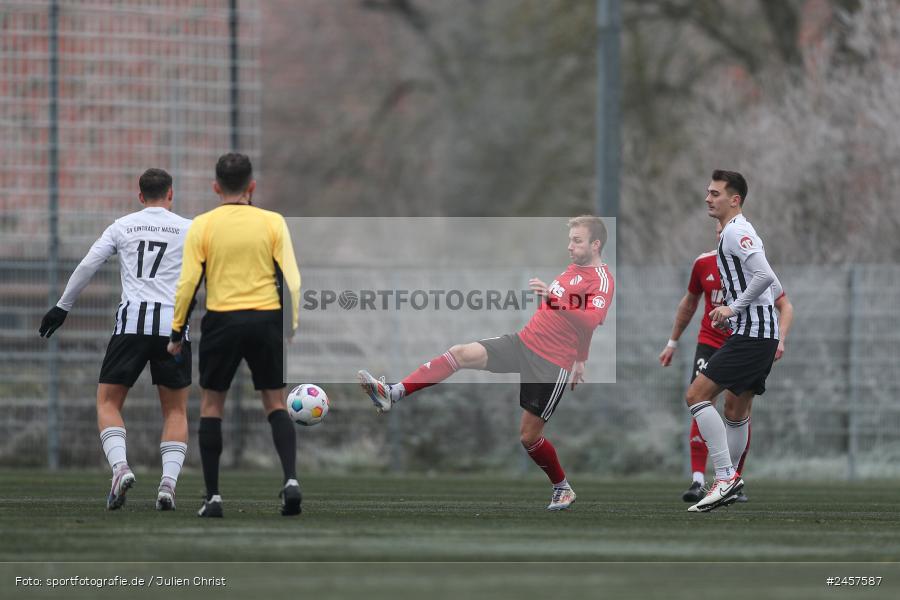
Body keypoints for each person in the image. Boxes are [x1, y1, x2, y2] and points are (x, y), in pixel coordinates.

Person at [358, 215, 614, 511]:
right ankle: (393, 392)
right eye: (570, 240)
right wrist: (582, 357)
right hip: (524, 342)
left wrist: (576, 355)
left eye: (577, 240)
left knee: (529, 437)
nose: (569, 246)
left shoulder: (602, 281)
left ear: (596, 244)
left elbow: (590, 321)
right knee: (461, 353)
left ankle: (562, 488)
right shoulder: (573, 270)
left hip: (550, 364)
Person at [38, 168, 192, 511]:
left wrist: (62, 307)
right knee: (175, 410)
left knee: (107, 402)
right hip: (174, 327)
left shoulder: (122, 225)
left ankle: (120, 467)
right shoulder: (188, 228)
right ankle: (168, 484)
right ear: (170, 194)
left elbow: (88, 265)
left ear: (140, 196)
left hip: (131, 327)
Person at [167, 153, 301, 518]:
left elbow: (188, 284)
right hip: (265, 319)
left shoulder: (203, 225)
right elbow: (292, 279)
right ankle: (290, 480)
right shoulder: (273, 222)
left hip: (222, 321)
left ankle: (213, 498)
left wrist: (177, 330)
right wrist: (289, 325)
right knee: (275, 403)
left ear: (215, 187)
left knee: (212, 407)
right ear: (251, 186)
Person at [659, 222, 794, 503]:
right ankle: (701, 478)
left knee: (735, 409)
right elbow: (689, 303)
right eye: (720, 230)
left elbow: (781, 298)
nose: (724, 234)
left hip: (748, 340)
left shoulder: (749, 262)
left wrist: (778, 337)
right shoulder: (705, 263)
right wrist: (672, 342)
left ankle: (731, 479)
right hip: (712, 343)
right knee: (700, 398)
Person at [684, 169, 783, 513]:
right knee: (735, 410)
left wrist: (732, 308)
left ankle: (725, 477)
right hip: (760, 333)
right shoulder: (740, 231)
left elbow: (764, 276)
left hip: (753, 335)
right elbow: (773, 282)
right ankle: (729, 479)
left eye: (715, 193)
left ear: (734, 199)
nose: (708, 198)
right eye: (708, 192)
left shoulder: (736, 232)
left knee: (696, 395)